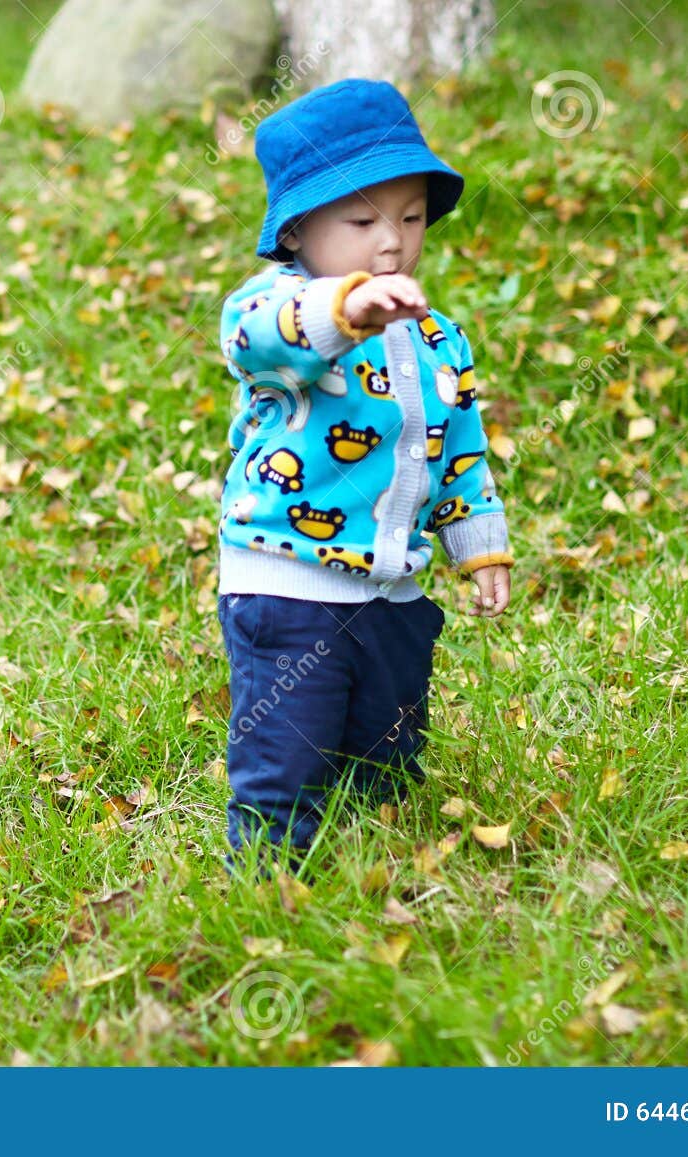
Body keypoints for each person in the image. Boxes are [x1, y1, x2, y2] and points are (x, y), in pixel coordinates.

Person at [215, 76, 515, 875]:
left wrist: (478, 544)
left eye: (412, 217)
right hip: (289, 582)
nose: (392, 242)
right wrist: (345, 309)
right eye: (361, 221)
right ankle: (268, 878)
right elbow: (257, 341)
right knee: (289, 748)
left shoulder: (437, 334)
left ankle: (377, 852)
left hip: (392, 592)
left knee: (387, 749)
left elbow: (460, 447)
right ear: (297, 231)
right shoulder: (281, 307)